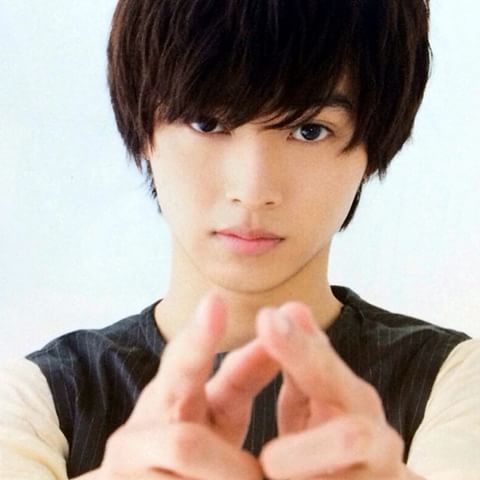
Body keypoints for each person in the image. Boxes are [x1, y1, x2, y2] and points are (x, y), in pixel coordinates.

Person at [1, 0, 479, 479]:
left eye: (309, 130)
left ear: (373, 145)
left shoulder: (454, 381)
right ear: (143, 128)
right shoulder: (36, 397)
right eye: (207, 123)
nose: (252, 190)